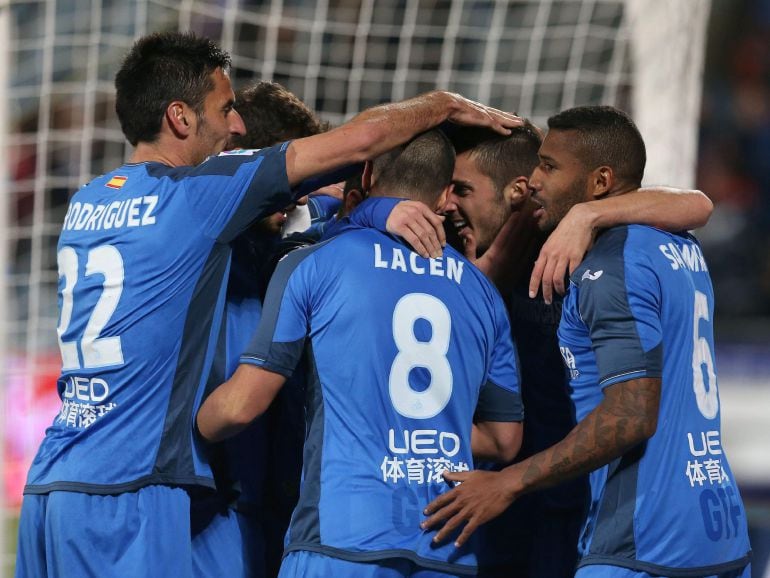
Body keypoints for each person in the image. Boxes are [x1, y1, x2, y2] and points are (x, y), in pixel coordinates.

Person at [14, 30, 520, 577]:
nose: (236, 127)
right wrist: (442, 103)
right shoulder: (198, 199)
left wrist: (371, 214)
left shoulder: (89, 201)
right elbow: (355, 146)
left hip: (54, 480)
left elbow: (315, 210)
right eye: (226, 108)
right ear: (181, 118)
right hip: (136, 486)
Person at [422, 106, 752, 578]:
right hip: (696, 524)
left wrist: (586, 215)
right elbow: (696, 206)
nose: (447, 204)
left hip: (620, 526)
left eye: (548, 167)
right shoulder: (673, 245)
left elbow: (632, 413)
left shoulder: (600, 261)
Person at [197, 129, 524, 577]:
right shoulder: (482, 291)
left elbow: (237, 408)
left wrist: (180, 424)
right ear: (446, 195)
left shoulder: (316, 261)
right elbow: (505, 440)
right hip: (446, 548)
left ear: (366, 173)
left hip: (342, 541)